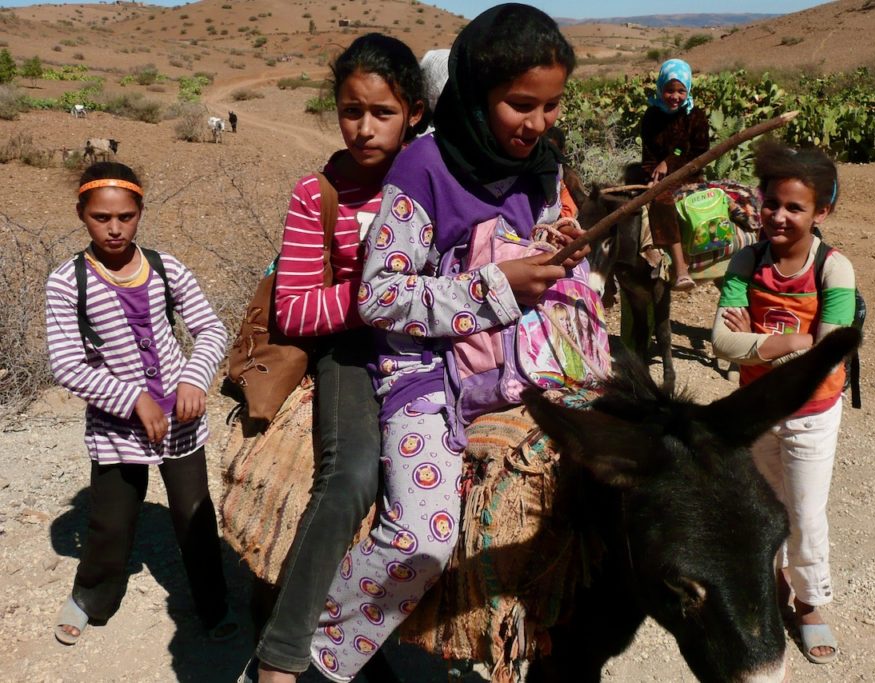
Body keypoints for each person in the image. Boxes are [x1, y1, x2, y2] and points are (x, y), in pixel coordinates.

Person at [309, 5, 587, 680]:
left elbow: (541, 235)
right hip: (423, 371)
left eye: (551, 106)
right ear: (474, 89)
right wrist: (494, 286)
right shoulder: (422, 170)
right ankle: (324, 650)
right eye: (521, 104)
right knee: (423, 541)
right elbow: (379, 296)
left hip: (518, 357)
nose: (539, 123)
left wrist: (556, 250)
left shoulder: (543, 166)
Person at [241, 33, 427, 683]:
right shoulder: (314, 194)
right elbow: (294, 309)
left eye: (383, 113)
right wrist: (377, 297)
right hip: (352, 353)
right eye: (352, 111)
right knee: (349, 477)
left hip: (430, 350)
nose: (366, 128)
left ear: (415, 114)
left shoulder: (436, 182)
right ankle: (281, 654)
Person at [45, 161, 234, 646]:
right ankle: (91, 597)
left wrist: (194, 378)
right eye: (101, 217)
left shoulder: (167, 268)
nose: (114, 228)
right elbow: (67, 365)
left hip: (182, 420)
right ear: (81, 214)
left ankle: (212, 604)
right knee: (111, 520)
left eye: (126, 217)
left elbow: (211, 329)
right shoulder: (68, 283)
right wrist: (133, 399)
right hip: (116, 426)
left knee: (194, 514)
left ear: (140, 212)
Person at [710, 139, 856, 665]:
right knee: (762, 508)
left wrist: (762, 342)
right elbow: (720, 343)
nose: (779, 216)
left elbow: (827, 353)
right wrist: (795, 341)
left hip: (813, 414)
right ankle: (770, 589)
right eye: (771, 202)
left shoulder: (833, 270)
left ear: (823, 211)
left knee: (806, 514)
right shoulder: (747, 260)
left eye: (795, 207)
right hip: (757, 412)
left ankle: (811, 603)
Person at [640, 58, 710, 292]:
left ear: (688, 90)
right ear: (661, 88)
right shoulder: (651, 116)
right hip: (659, 175)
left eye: (681, 91)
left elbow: (698, 152)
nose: (675, 96)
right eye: (669, 90)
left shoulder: (696, 116)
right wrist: (652, 175)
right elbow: (648, 156)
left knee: (662, 199)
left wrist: (669, 163)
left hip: (689, 173)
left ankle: (680, 268)